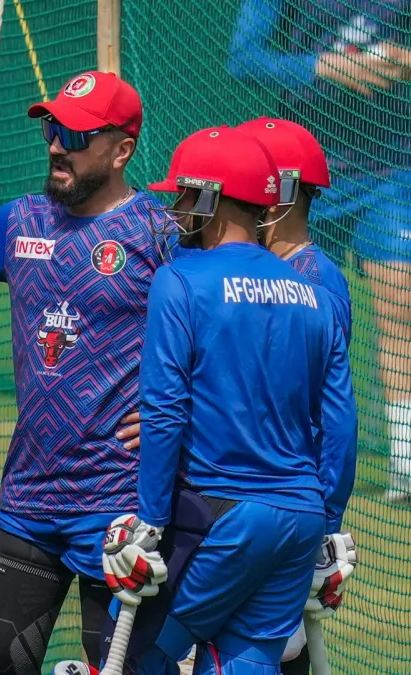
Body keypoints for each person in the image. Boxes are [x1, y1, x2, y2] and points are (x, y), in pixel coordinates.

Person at [0, 70, 160, 674]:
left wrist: (176, 413)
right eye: (53, 129)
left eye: (75, 134)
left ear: (121, 149)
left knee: (120, 668)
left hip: (120, 504)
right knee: (3, 663)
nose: (56, 144)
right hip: (30, 498)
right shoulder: (23, 221)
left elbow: (220, 338)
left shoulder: (160, 235)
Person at [101, 126, 353, 674]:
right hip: (301, 517)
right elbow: (339, 424)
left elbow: (163, 411)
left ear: (211, 199)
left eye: (185, 196)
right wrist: (328, 523)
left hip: (219, 513)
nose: (177, 209)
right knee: (246, 664)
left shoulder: (180, 279)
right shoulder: (314, 292)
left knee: (144, 656)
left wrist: (148, 520)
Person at [227, 0, 411, 501]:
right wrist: (327, 66)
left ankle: (404, 461)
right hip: (305, 178)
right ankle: (284, 452)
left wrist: (403, 58)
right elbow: (242, 59)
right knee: (292, 318)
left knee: (399, 309)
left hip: (389, 169)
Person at [235, 117, 360, 675]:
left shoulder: (314, 281)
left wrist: (325, 521)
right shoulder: (264, 269)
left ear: (280, 193)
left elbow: (330, 418)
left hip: (283, 504)